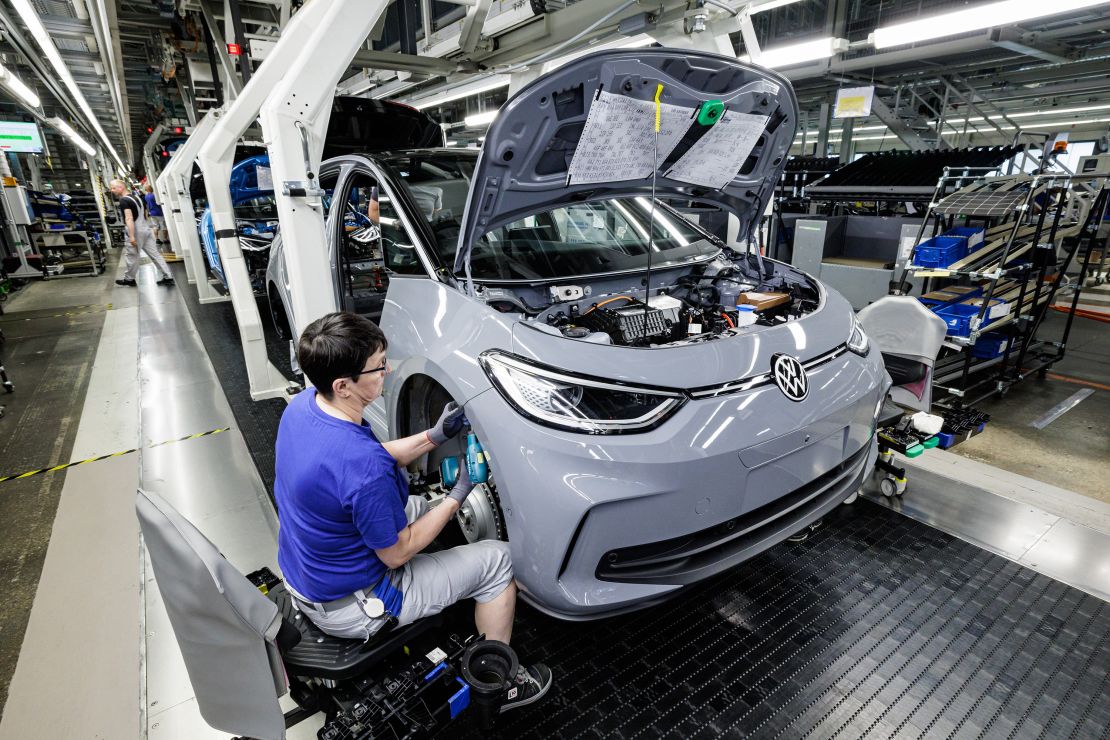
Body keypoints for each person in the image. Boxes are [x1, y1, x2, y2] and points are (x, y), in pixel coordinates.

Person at [274, 312, 552, 712]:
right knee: (498, 561)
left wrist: (432, 436)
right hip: (356, 607)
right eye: (378, 367)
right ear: (344, 386)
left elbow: (364, 463)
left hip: (307, 577)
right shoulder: (361, 469)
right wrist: (458, 494)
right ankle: (498, 683)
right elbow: (397, 553)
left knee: (420, 506)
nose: (386, 372)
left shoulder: (305, 407)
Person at [110, 179, 173, 287]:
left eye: (113, 188)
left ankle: (129, 279)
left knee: (132, 256)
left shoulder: (124, 200)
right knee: (155, 254)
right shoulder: (137, 197)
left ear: (121, 187)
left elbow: (129, 219)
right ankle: (168, 276)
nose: (112, 190)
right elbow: (144, 213)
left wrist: (132, 236)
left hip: (136, 230)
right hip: (145, 228)